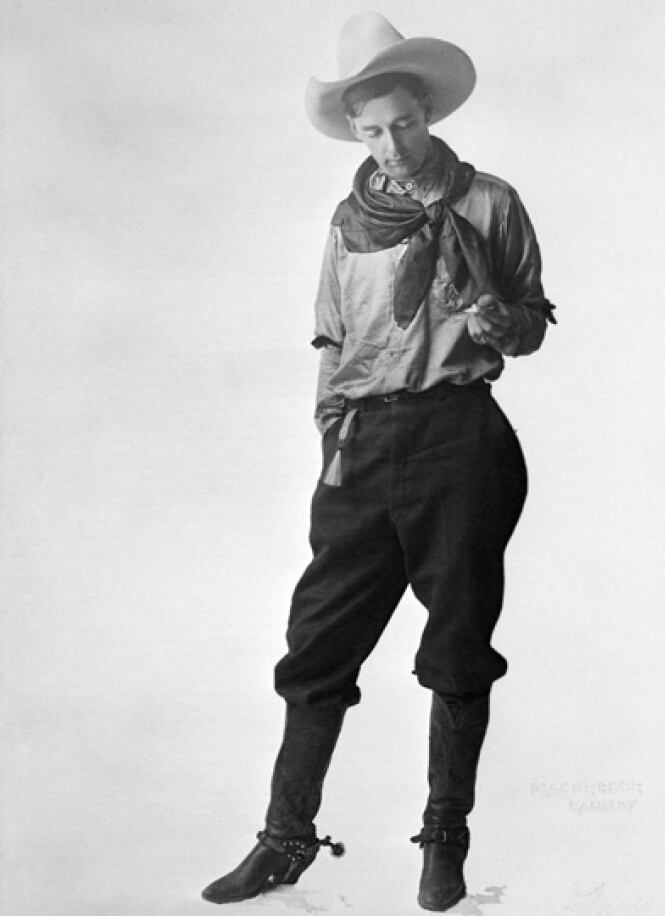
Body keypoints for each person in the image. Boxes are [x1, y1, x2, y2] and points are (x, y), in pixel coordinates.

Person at [202, 11, 555, 912]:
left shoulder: (491, 203)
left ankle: (445, 844)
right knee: (318, 642)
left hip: (459, 440)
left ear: (428, 110)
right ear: (353, 131)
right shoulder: (347, 221)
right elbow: (335, 343)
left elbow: (527, 325)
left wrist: (497, 321)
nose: (390, 144)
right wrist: (331, 445)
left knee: (457, 646)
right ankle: (286, 840)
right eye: (370, 130)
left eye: (403, 122)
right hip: (363, 444)